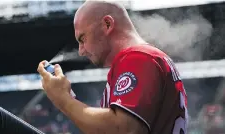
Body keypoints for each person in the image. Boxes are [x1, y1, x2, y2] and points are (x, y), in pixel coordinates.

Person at [37, 1, 188, 134]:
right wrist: (68, 98)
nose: (81, 51)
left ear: (107, 24)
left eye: (82, 39)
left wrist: (63, 99)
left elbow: (124, 130)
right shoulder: (145, 58)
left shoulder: (138, 58)